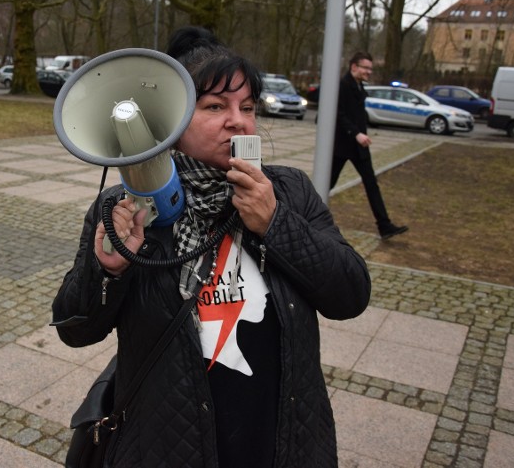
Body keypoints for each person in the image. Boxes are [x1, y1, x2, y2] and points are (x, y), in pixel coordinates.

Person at [52, 27, 371, 467]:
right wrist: (107, 270)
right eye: (215, 106)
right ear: (171, 122)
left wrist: (276, 224)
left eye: (247, 107)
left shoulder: (290, 192)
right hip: (168, 446)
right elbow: (75, 327)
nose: (238, 120)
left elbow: (351, 294)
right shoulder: (124, 206)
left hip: (281, 443)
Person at [330, 51, 408, 240]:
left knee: (372, 184)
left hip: (359, 146)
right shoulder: (341, 86)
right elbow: (338, 114)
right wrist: (356, 133)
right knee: (327, 183)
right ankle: (304, 215)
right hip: (343, 145)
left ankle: (384, 225)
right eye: (365, 68)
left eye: (370, 69)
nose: (368, 72)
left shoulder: (358, 86)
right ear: (354, 67)